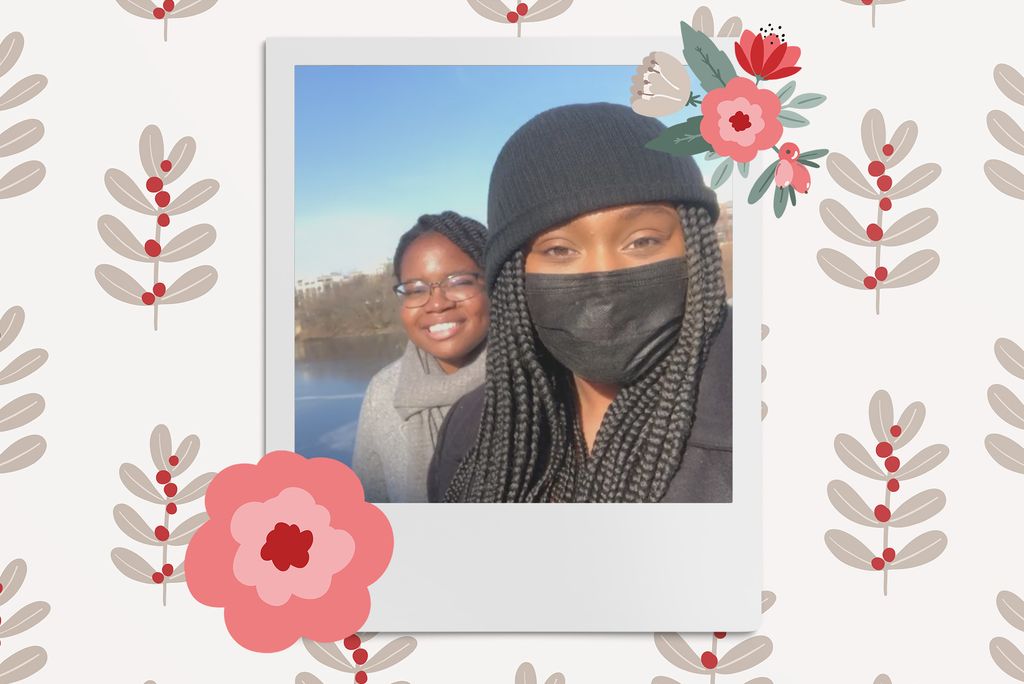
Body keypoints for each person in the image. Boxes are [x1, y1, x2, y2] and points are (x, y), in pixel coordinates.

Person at [428, 102, 731, 503]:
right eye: (558, 250)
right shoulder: (471, 432)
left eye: (642, 241)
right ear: (513, 278)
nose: (604, 279)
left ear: (696, 247)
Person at [353, 211, 489, 503]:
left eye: (459, 281)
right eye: (416, 290)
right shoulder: (385, 392)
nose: (437, 304)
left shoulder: (543, 383)